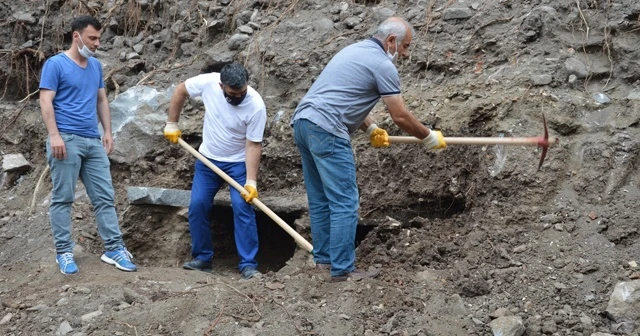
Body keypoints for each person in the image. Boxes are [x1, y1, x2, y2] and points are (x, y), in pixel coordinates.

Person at [291, 17, 447, 282]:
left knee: (320, 199)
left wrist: (372, 128)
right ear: (391, 41)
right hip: (328, 129)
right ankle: (342, 270)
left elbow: (343, 96)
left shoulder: (353, 51)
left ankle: (324, 262)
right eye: (406, 47)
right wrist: (428, 136)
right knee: (344, 202)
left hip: (303, 124)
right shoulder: (382, 64)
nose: (406, 54)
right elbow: (399, 115)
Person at [39, 15, 137, 275]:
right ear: (76, 36)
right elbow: (45, 101)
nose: (96, 43)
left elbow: (101, 100)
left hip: (92, 141)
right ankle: (64, 252)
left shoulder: (95, 66)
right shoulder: (56, 64)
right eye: (92, 38)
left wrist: (107, 131)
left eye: (99, 38)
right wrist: (54, 135)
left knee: (105, 197)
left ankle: (114, 249)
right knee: (63, 198)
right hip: (66, 140)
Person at [163, 63, 267, 280]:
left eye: (242, 92)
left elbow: (253, 145)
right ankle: (203, 258)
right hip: (207, 159)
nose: (238, 97)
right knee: (198, 205)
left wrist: (251, 182)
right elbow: (180, 90)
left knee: (242, 207)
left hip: (238, 163)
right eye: (232, 93)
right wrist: (172, 123)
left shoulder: (256, 106)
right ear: (221, 86)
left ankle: (248, 265)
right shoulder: (208, 83)